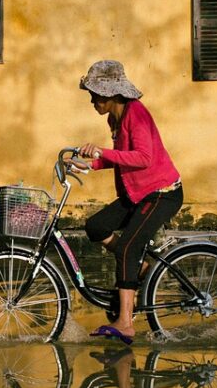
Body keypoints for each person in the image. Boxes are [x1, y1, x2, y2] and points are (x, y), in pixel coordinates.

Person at [72, 60, 183, 345]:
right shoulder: (115, 119)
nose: (92, 100)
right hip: (137, 194)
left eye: (95, 95)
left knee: (127, 249)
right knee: (96, 226)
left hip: (162, 192)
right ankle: (142, 269)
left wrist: (102, 152)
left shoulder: (138, 114)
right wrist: (90, 165)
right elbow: (123, 158)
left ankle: (125, 323)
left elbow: (143, 158)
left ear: (111, 94)